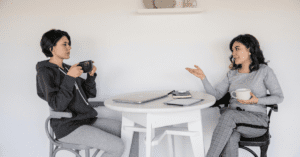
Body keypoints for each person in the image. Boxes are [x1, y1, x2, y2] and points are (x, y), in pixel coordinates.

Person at [186, 34, 284, 157]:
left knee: (229, 115)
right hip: (233, 122)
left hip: (256, 121)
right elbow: (216, 96)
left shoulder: (264, 71)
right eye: (232, 50)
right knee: (230, 136)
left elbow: (279, 97)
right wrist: (203, 78)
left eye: (237, 48)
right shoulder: (232, 74)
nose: (233, 53)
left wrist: (256, 100)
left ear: (249, 50)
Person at [36, 29, 124, 157]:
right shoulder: (45, 72)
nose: (69, 47)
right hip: (67, 126)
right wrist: (70, 78)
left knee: (130, 130)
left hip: (85, 119)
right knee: (117, 146)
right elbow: (57, 105)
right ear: (51, 48)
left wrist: (90, 76)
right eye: (64, 44)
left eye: (69, 44)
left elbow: (89, 94)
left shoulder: (67, 69)